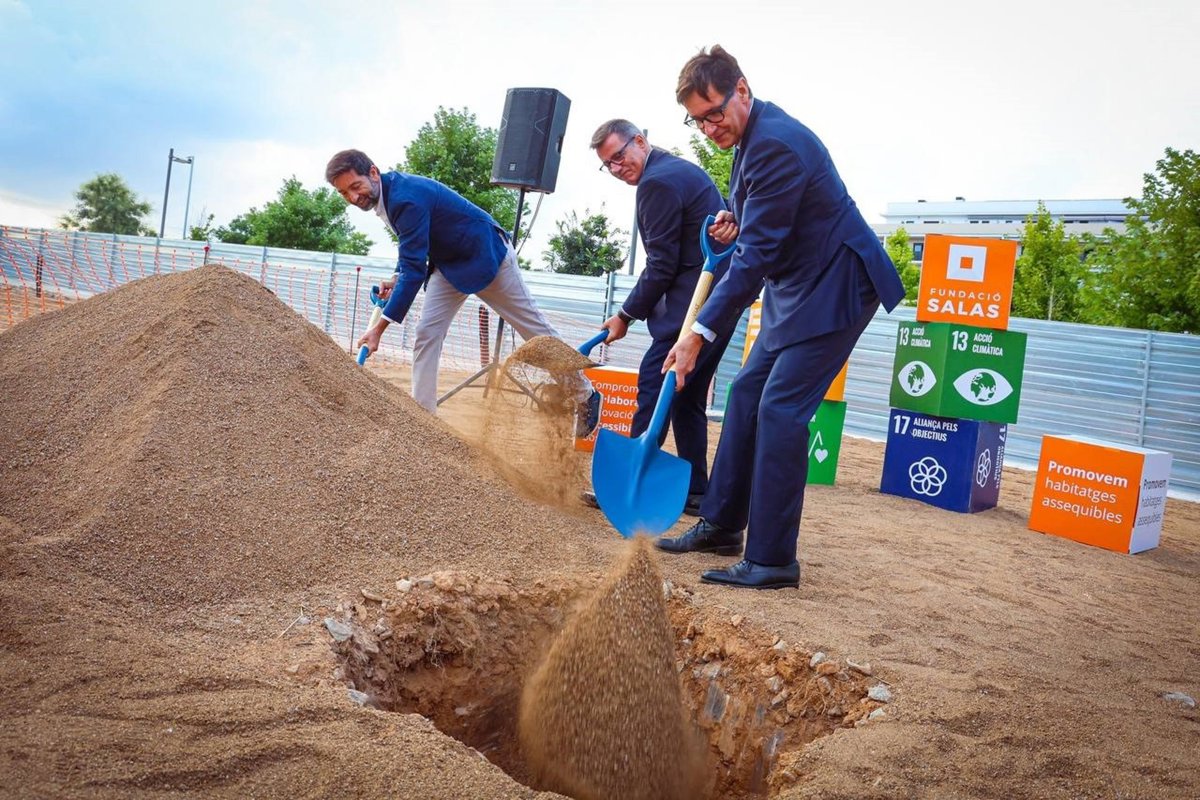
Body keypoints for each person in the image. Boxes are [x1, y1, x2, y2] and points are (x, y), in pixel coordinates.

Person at [656, 46, 905, 590]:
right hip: (800, 286)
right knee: (747, 394)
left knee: (780, 409)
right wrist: (736, 220)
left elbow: (757, 256)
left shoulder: (775, 144)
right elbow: (764, 223)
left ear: (742, 90)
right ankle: (722, 524)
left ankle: (772, 560)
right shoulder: (751, 139)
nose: (709, 129)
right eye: (698, 121)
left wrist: (698, 332)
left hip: (837, 286)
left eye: (714, 113)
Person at [326, 149, 601, 434]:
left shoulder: (405, 197)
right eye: (344, 193)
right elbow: (412, 246)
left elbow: (415, 269)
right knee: (427, 333)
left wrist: (378, 330)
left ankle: (585, 395)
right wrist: (396, 277)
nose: (353, 197)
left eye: (355, 186)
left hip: (487, 257)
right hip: (449, 266)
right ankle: (424, 422)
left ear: (373, 173)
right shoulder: (387, 196)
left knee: (534, 330)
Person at [587, 119, 736, 516]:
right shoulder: (677, 170)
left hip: (695, 308)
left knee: (655, 382)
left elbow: (661, 264)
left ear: (640, 141)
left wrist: (625, 315)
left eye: (620, 156)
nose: (616, 168)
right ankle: (697, 492)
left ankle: (631, 483)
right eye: (608, 164)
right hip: (721, 302)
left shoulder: (657, 183)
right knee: (687, 397)